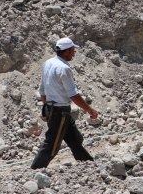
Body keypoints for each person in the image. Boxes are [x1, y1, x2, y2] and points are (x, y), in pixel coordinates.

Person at [31, 37, 99, 169]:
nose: (74, 53)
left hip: (53, 109)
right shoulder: (64, 68)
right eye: (73, 50)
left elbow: (42, 89)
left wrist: (47, 107)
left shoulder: (48, 63)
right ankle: (35, 170)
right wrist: (90, 110)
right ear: (67, 51)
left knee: (75, 139)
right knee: (52, 145)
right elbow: (73, 94)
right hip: (60, 112)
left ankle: (88, 164)